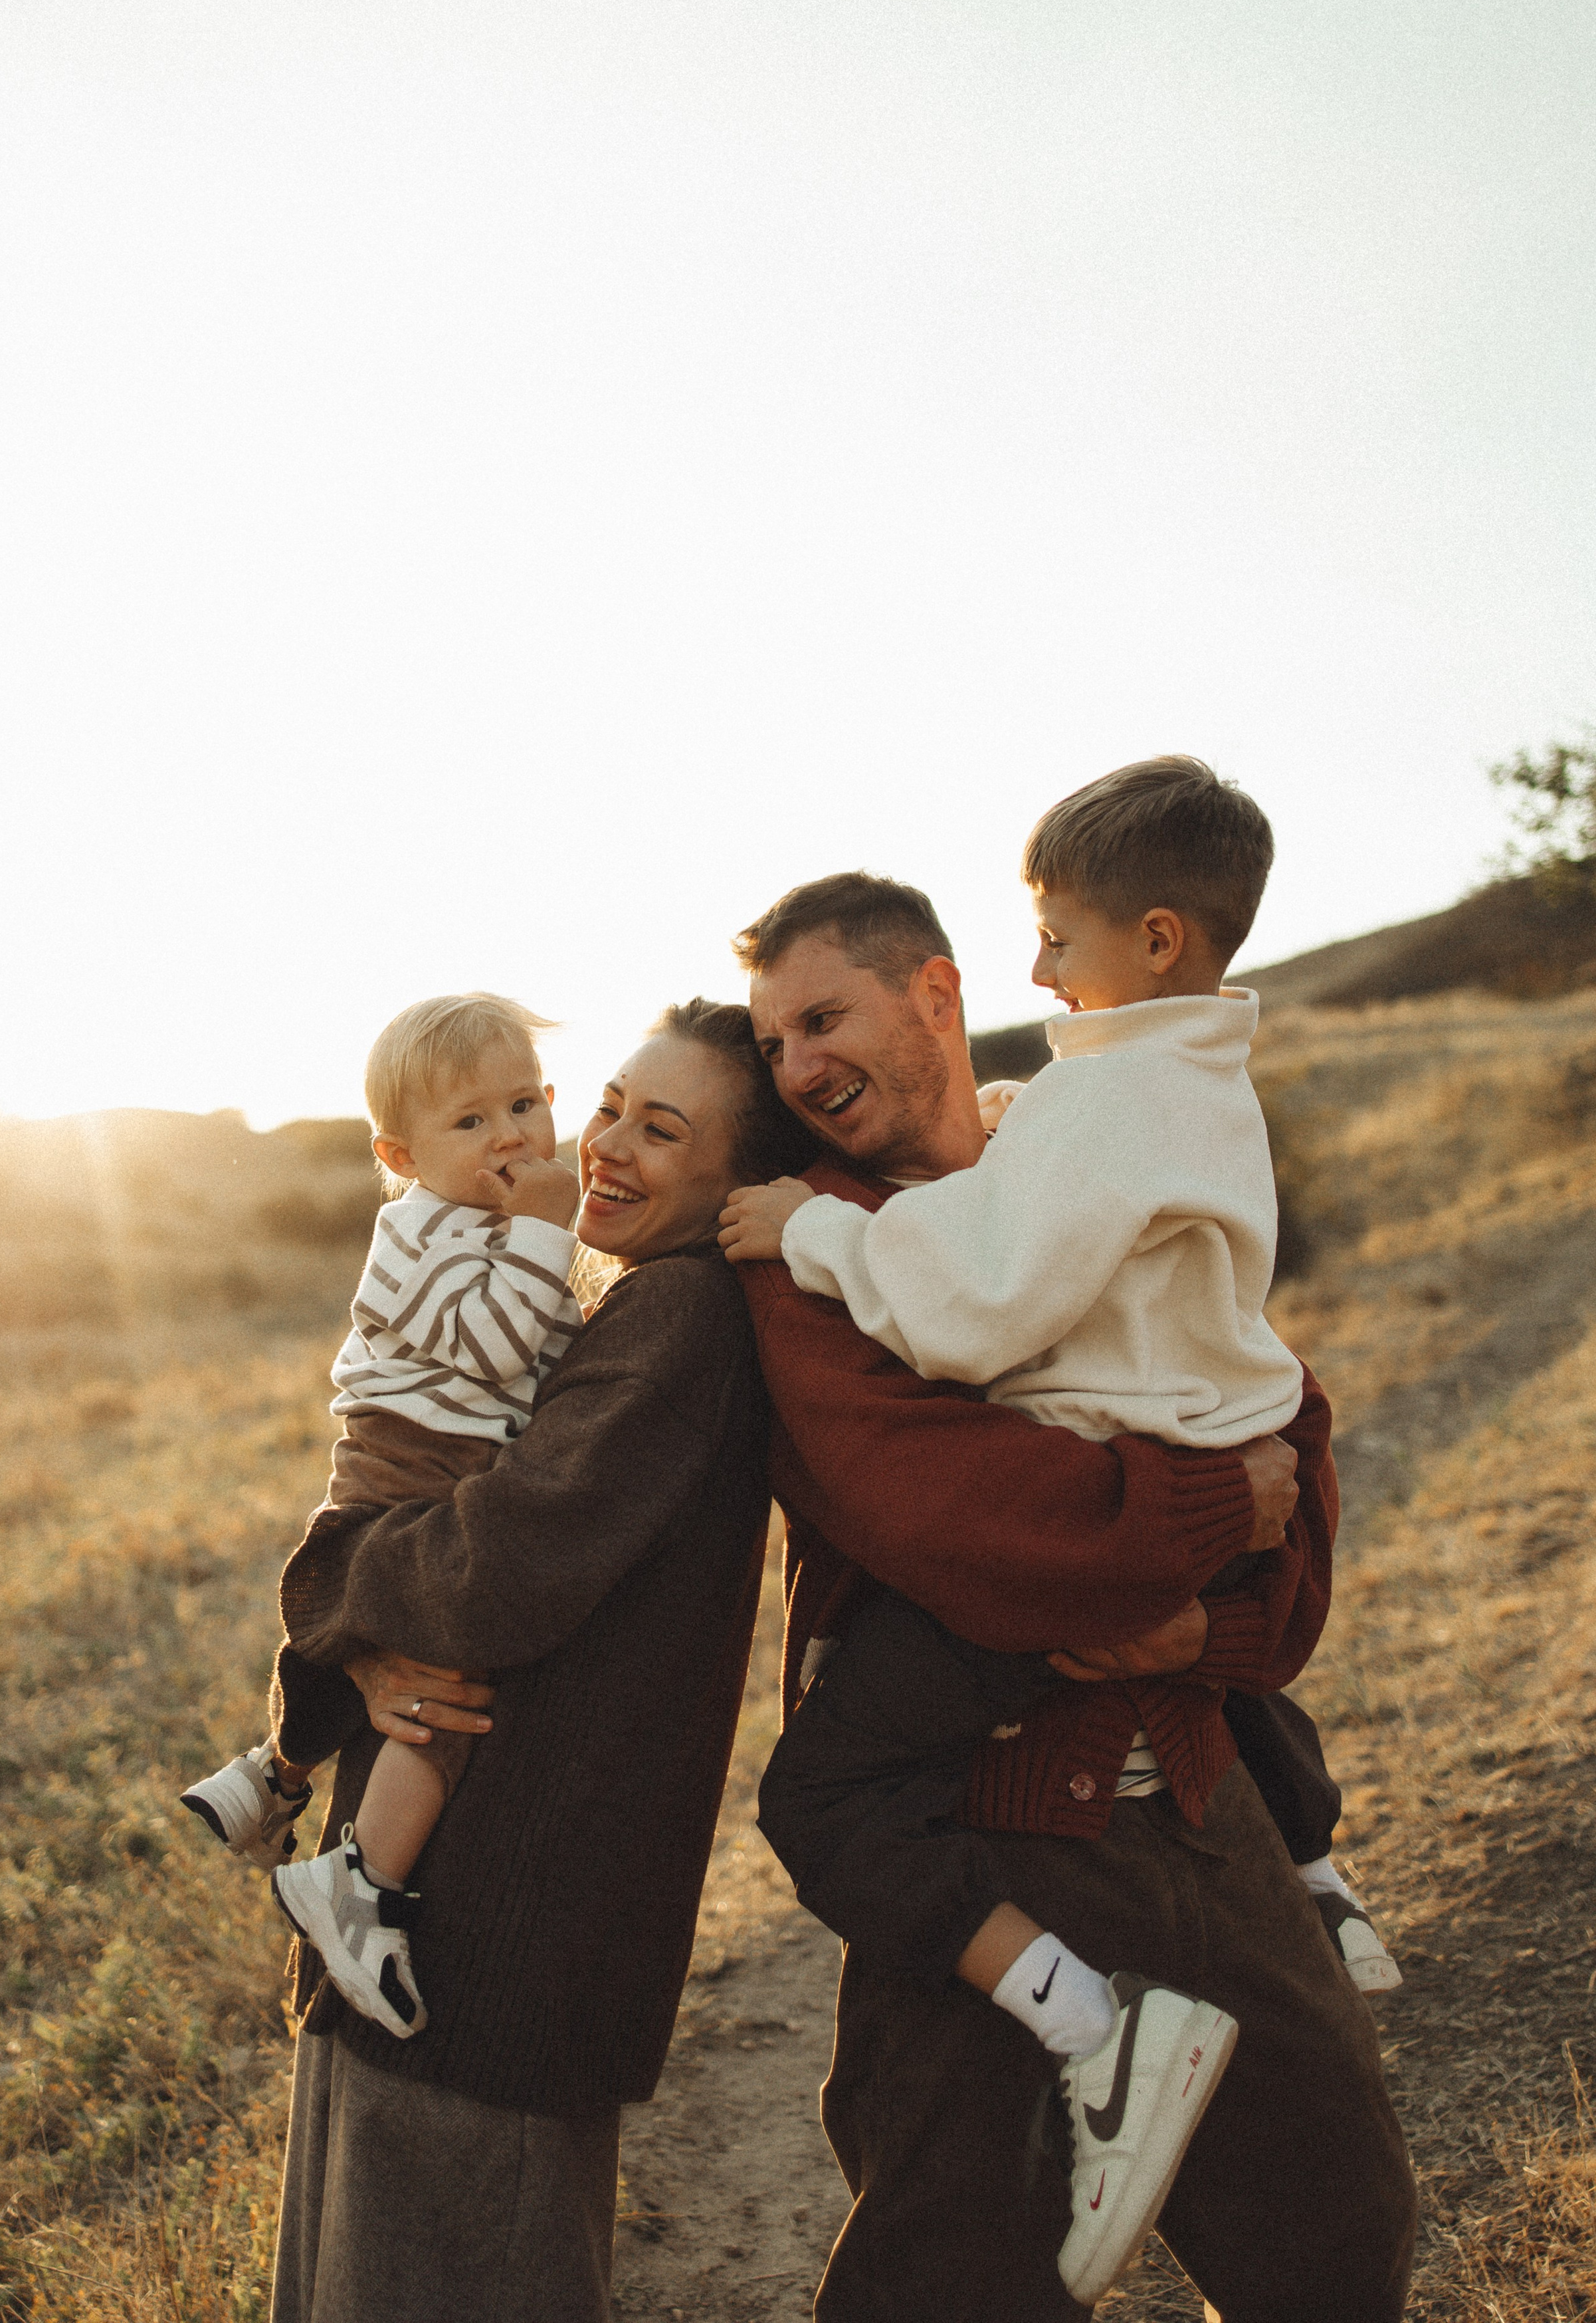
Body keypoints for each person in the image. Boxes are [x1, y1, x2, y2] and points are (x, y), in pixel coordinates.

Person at [722, 760, 1397, 2304]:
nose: (799, 1067)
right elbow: (972, 1534)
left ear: (936, 992)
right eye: (772, 1044)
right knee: (955, 2275)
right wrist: (1214, 1511)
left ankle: (1311, 1888)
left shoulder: (1087, 1137)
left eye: (823, 1020)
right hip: (995, 1831)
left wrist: (1207, 1626)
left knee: (1339, 2233)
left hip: (1202, 1798)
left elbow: (1289, 1472)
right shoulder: (804, 1257)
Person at [264, 999, 817, 2323]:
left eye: (662, 1130)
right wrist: (361, 1651)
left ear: (735, 1180)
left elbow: (489, 1571)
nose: (605, 1148)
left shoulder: (676, 1317)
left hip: (495, 1939)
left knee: (440, 2272)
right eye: (610, 1106)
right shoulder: (614, 1298)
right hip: (452, 1913)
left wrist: (336, 1590)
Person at [182, 993, 587, 2034]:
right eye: (470, 1121)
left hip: (443, 1463)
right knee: (445, 1678)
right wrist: (549, 1231)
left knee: (413, 1662)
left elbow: (546, 1349)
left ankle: (270, 1779)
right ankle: (360, 1883)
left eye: (527, 1102)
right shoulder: (418, 1234)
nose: (512, 1134)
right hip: (411, 1464)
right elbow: (499, 1347)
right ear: (400, 1155)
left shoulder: (495, 1227)